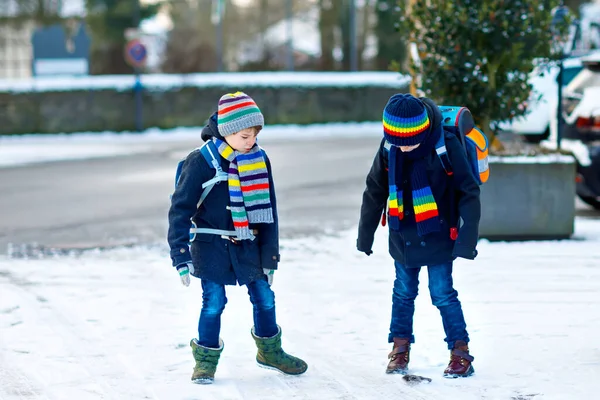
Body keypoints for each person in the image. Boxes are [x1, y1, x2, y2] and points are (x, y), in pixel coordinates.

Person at [168, 91, 307, 384]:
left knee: (265, 298)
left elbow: (269, 210)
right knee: (214, 302)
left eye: (255, 135)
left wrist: (270, 257)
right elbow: (179, 211)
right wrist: (180, 256)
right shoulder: (200, 162)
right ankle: (205, 361)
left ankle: (270, 352)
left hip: (249, 244)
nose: (251, 142)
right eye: (245, 136)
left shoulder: (258, 159)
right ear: (228, 131)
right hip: (210, 247)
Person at [357, 93, 481, 378]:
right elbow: (374, 189)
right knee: (403, 293)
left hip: (440, 232)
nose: (403, 148)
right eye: (397, 142)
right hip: (403, 235)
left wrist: (467, 238)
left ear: (422, 129)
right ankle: (399, 349)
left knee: (442, 294)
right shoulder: (390, 147)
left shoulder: (444, 145)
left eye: (409, 141)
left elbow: (468, 191)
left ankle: (460, 353)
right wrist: (365, 235)